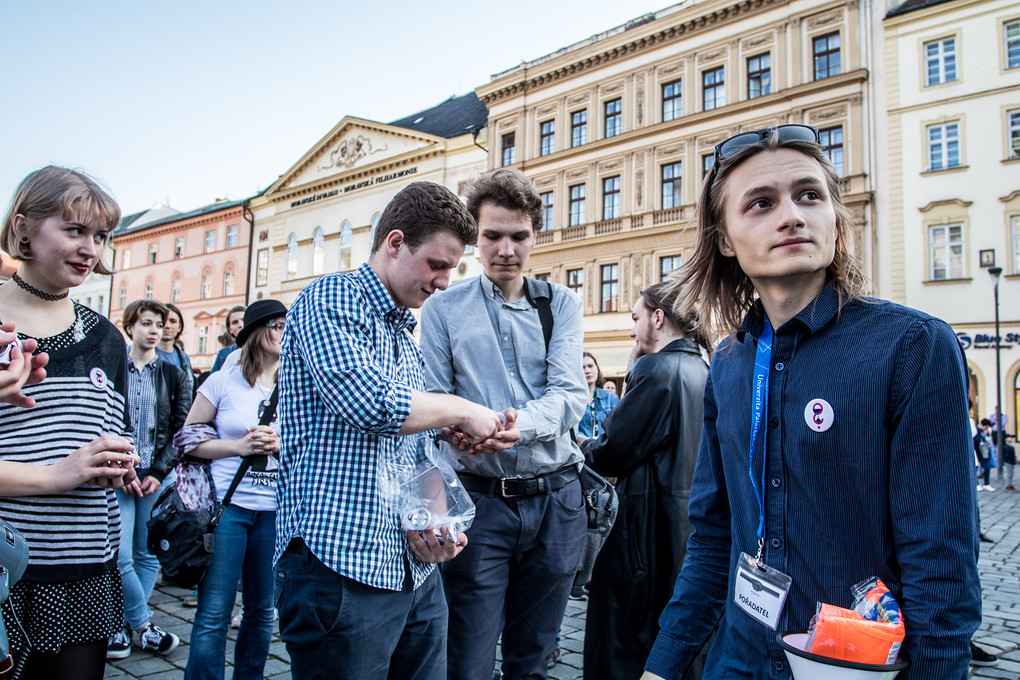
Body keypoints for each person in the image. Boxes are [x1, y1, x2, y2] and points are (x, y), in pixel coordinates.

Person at [641, 125, 980, 679]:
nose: (792, 215)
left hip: (851, 665)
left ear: (835, 220)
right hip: (740, 661)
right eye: (760, 203)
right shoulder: (727, 362)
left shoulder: (912, 346)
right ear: (725, 238)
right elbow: (715, 536)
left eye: (809, 195)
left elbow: (941, 559)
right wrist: (665, 662)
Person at [275, 181, 518, 680]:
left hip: (411, 565)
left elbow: (416, 452)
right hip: (341, 565)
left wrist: (436, 523)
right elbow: (370, 405)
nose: (446, 281)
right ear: (394, 242)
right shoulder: (330, 297)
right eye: (437, 264)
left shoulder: (405, 338)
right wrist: (460, 409)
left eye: (453, 268)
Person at [420, 168, 588, 680]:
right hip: (479, 504)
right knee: (465, 660)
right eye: (493, 235)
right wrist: (455, 428)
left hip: (557, 501)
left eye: (519, 236)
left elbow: (570, 394)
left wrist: (517, 424)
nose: (506, 249)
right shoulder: (443, 309)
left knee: (534, 659)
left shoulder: (560, 303)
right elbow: (432, 404)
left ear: (536, 234)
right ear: (476, 235)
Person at [0, 166, 140, 680]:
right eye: (75, 230)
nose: (91, 248)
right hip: (6, 563)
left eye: (101, 236)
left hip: (83, 569)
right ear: (22, 229)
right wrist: (59, 472)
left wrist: (119, 460)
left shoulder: (104, 336)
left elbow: (115, 429)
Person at [577, 281, 711, 680]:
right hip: (686, 528)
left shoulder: (656, 368)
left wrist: (582, 441)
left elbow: (612, 452)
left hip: (644, 533)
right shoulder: (703, 367)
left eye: (636, 318)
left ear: (658, 318)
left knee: (626, 641)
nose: (632, 330)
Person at [179, 299, 286, 680]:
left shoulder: (296, 387)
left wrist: (281, 445)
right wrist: (238, 447)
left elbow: (312, 445)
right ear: (257, 331)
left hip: (275, 512)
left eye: (287, 325)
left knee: (260, 611)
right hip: (228, 509)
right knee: (215, 611)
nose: (284, 331)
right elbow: (187, 441)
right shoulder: (223, 380)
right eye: (276, 324)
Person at [107, 299, 191, 661]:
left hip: (156, 476)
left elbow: (183, 429)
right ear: (131, 327)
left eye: (159, 323)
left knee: (147, 552)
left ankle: (125, 629)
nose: (155, 329)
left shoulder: (174, 374)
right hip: (117, 473)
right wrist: (120, 465)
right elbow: (101, 420)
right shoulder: (112, 367)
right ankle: (141, 625)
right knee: (120, 554)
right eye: (146, 322)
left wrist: (158, 471)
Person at [578, 352, 619, 440]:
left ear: (597, 368)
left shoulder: (611, 398)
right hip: (580, 451)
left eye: (590, 366)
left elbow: (618, 427)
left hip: (605, 450)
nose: (587, 371)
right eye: (582, 367)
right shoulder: (573, 399)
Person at [156, 302, 195, 396]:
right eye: (163, 320)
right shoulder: (147, 354)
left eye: (172, 321)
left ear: (179, 327)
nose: (167, 326)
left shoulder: (184, 358)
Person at [210, 305, 245, 373]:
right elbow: (214, 381)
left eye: (243, 320)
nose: (240, 325)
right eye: (235, 322)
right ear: (230, 329)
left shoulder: (266, 351)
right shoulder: (223, 354)